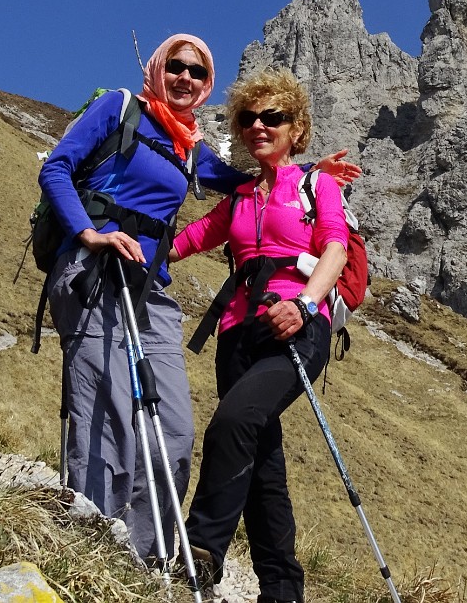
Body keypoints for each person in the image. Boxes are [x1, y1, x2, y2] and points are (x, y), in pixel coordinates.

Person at [38, 37, 357, 565]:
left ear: (206, 84)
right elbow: (55, 170)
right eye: (176, 66)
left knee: (176, 429)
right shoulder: (120, 108)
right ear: (158, 69)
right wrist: (89, 234)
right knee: (107, 413)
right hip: (95, 271)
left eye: (197, 70)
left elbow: (254, 183)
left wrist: (307, 169)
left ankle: (146, 557)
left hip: (152, 291)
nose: (185, 77)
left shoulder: (191, 150)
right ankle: (84, 548)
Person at [171, 67, 346, 603]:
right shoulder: (242, 195)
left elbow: (335, 248)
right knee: (261, 455)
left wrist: (305, 303)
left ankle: (200, 549)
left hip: (297, 327)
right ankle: (282, 588)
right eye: (248, 118)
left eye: (273, 117)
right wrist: (136, 254)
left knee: (235, 421)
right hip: (236, 334)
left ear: (297, 127)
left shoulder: (318, 185)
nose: (258, 127)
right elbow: (195, 237)